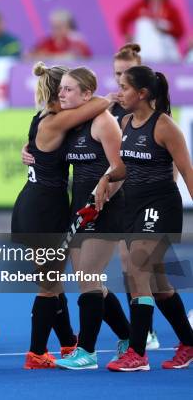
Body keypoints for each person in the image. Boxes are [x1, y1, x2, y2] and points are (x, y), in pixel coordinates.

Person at [11, 62, 109, 369]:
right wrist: (107, 96)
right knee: (50, 285)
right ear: (58, 91)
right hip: (45, 208)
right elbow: (102, 102)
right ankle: (36, 353)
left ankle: (67, 343)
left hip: (34, 204)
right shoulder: (57, 119)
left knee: (52, 281)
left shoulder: (42, 116)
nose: (68, 92)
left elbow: (37, 149)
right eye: (65, 87)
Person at [107, 65, 193, 371]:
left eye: (125, 88)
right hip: (133, 206)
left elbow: (187, 172)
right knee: (158, 283)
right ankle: (189, 343)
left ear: (142, 94)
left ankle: (138, 353)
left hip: (161, 207)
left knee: (137, 270)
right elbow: (126, 168)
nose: (119, 92)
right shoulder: (126, 121)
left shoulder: (165, 126)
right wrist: (104, 185)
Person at [49, 67, 128, 370]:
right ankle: (127, 335)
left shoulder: (103, 123)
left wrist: (103, 191)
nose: (62, 94)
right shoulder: (73, 123)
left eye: (69, 89)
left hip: (105, 210)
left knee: (89, 279)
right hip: (79, 208)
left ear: (87, 93)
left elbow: (122, 169)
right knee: (89, 281)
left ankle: (88, 352)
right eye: (61, 89)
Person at [119, 0, 184, 62]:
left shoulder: (171, 8)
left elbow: (180, 31)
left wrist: (165, 30)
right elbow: (123, 20)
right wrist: (126, 34)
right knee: (144, 23)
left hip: (164, 51)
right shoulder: (140, 6)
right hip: (144, 50)